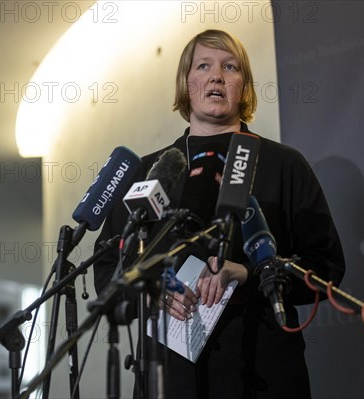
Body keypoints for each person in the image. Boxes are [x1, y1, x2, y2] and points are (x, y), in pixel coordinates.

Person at [93, 29, 345, 399]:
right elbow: (106, 270)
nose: (216, 76)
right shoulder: (150, 173)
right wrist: (151, 293)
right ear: (186, 83)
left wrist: (249, 272)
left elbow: (326, 268)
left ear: (244, 86)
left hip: (264, 368)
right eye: (204, 66)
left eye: (230, 67)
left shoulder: (284, 165)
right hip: (169, 374)